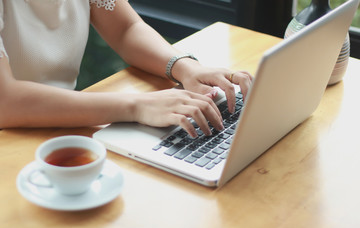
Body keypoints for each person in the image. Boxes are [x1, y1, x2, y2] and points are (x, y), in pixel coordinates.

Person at [0, 0, 252, 138]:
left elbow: (125, 29)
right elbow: (5, 102)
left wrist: (185, 67)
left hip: (64, 128)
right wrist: (137, 106)